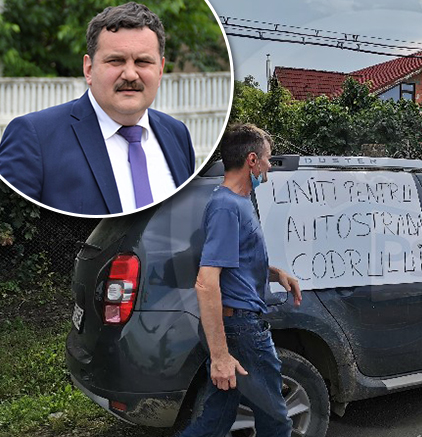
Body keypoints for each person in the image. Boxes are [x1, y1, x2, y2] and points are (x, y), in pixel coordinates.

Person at [0, 2, 195, 215]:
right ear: (89, 69)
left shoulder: (177, 135)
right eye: (116, 60)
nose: (130, 74)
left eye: (142, 62)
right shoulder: (35, 138)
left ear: (160, 71)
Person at [181, 124, 302, 437]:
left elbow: (234, 261)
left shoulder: (236, 203)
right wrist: (221, 357)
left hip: (237, 327)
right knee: (277, 421)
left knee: (214, 421)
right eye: (268, 159)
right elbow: (206, 283)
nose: (270, 167)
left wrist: (276, 273)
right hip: (240, 331)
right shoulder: (226, 206)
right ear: (252, 160)